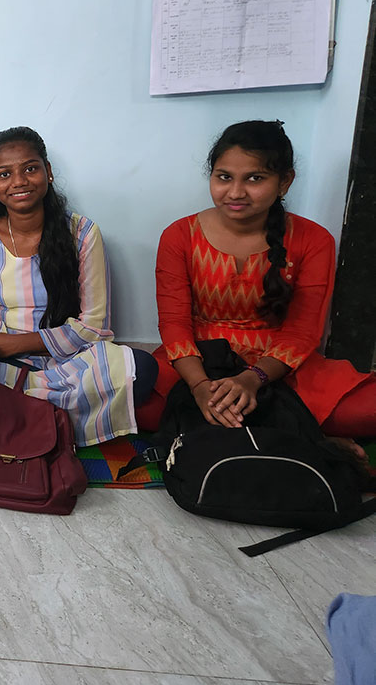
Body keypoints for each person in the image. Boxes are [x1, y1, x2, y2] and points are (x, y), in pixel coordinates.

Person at [140, 120, 376, 450]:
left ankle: (266, 424)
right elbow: (174, 322)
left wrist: (252, 380)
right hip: (199, 358)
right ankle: (302, 434)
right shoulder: (179, 236)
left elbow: (303, 331)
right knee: (132, 400)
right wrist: (199, 387)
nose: (235, 192)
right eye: (224, 177)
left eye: (255, 178)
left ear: (285, 182)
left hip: (279, 366)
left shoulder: (313, 240)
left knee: (368, 408)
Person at [0, 127, 155, 447]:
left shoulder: (82, 232)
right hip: (6, 364)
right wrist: (11, 350)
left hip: (73, 362)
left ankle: (21, 422)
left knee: (142, 368)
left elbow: (94, 326)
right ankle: (58, 422)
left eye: (30, 168)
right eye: (5, 174)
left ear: (48, 172)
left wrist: (19, 343)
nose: (19, 181)